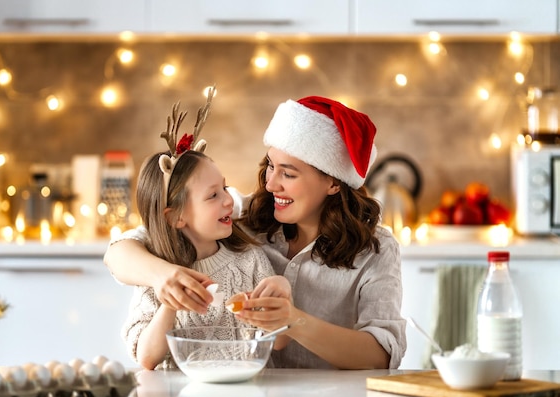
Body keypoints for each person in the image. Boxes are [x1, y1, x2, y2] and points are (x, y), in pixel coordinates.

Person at [105, 95, 406, 370]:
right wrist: (163, 277)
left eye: (288, 173)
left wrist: (293, 320)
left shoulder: (376, 248)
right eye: (270, 166)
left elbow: (381, 355)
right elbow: (124, 248)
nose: (272, 184)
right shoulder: (242, 216)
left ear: (334, 183)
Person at [118, 93, 291, 370]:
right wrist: (170, 303)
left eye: (224, 187)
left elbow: (279, 343)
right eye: (212, 196)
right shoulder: (158, 274)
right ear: (176, 217)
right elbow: (147, 358)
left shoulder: (249, 260)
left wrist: (282, 294)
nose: (227, 200)